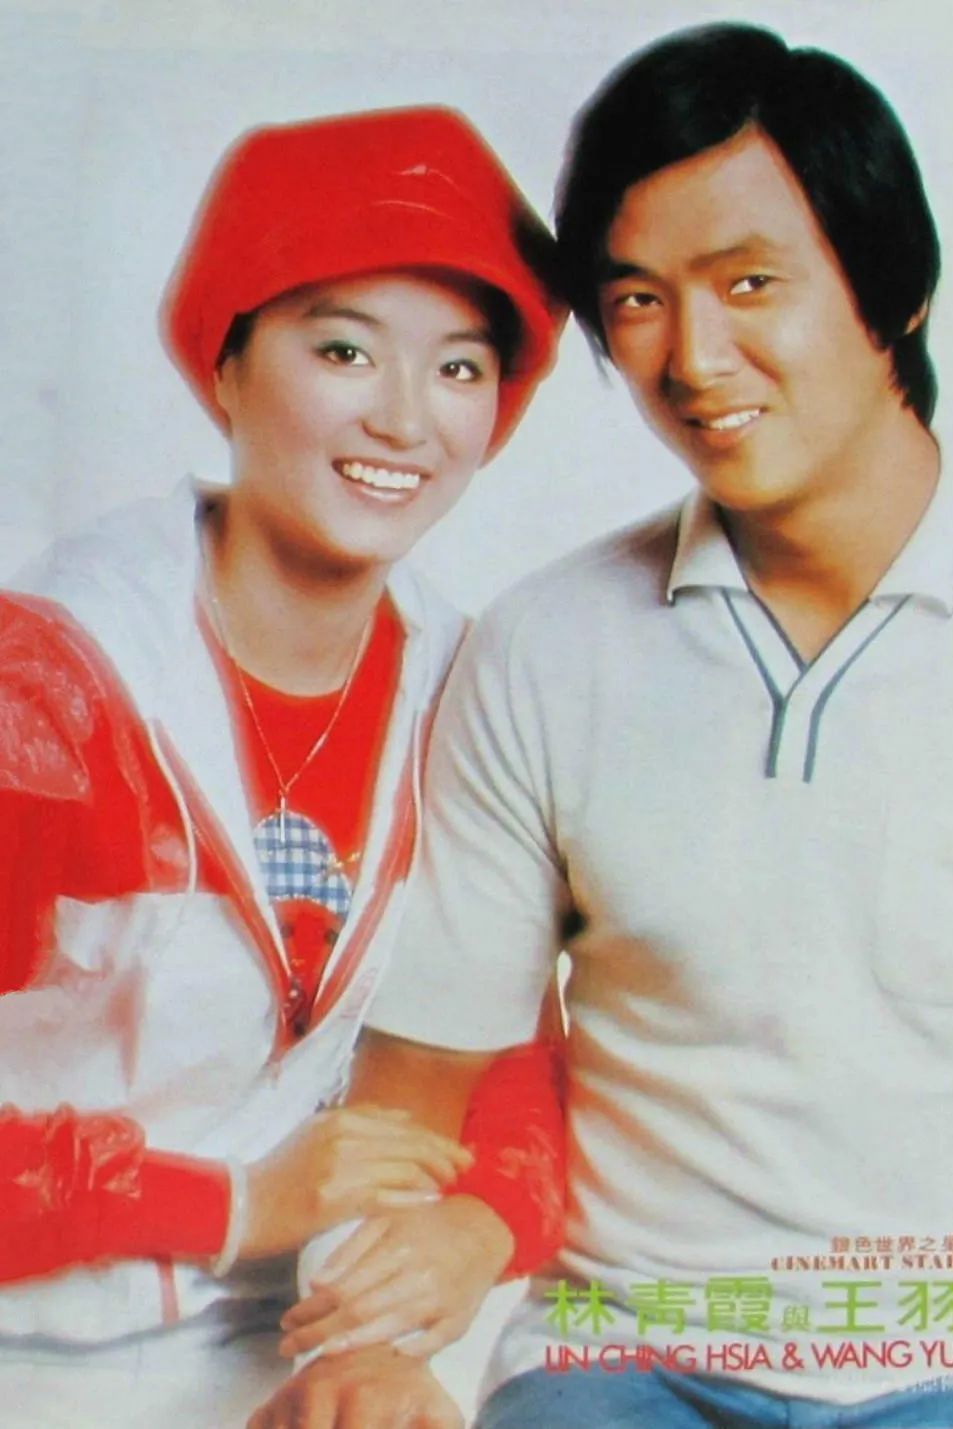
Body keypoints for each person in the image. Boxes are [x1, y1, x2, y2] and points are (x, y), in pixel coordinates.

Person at [258, 22, 953, 1429]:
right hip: (619, 1354)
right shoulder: (547, 646)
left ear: (893, 290)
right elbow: (421, 1081)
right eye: (638, 300)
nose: (694, 357)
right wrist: (370, 1344)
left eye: (749, 283)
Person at [0, 105, 565, 1425]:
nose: (404, 419)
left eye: (461, 367)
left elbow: (509, 1048)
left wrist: (475, 1226)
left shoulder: (470, 683)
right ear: (229, 360)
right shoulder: (55, 691)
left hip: (292, 1346)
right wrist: (232, 1202)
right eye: (344, 348)